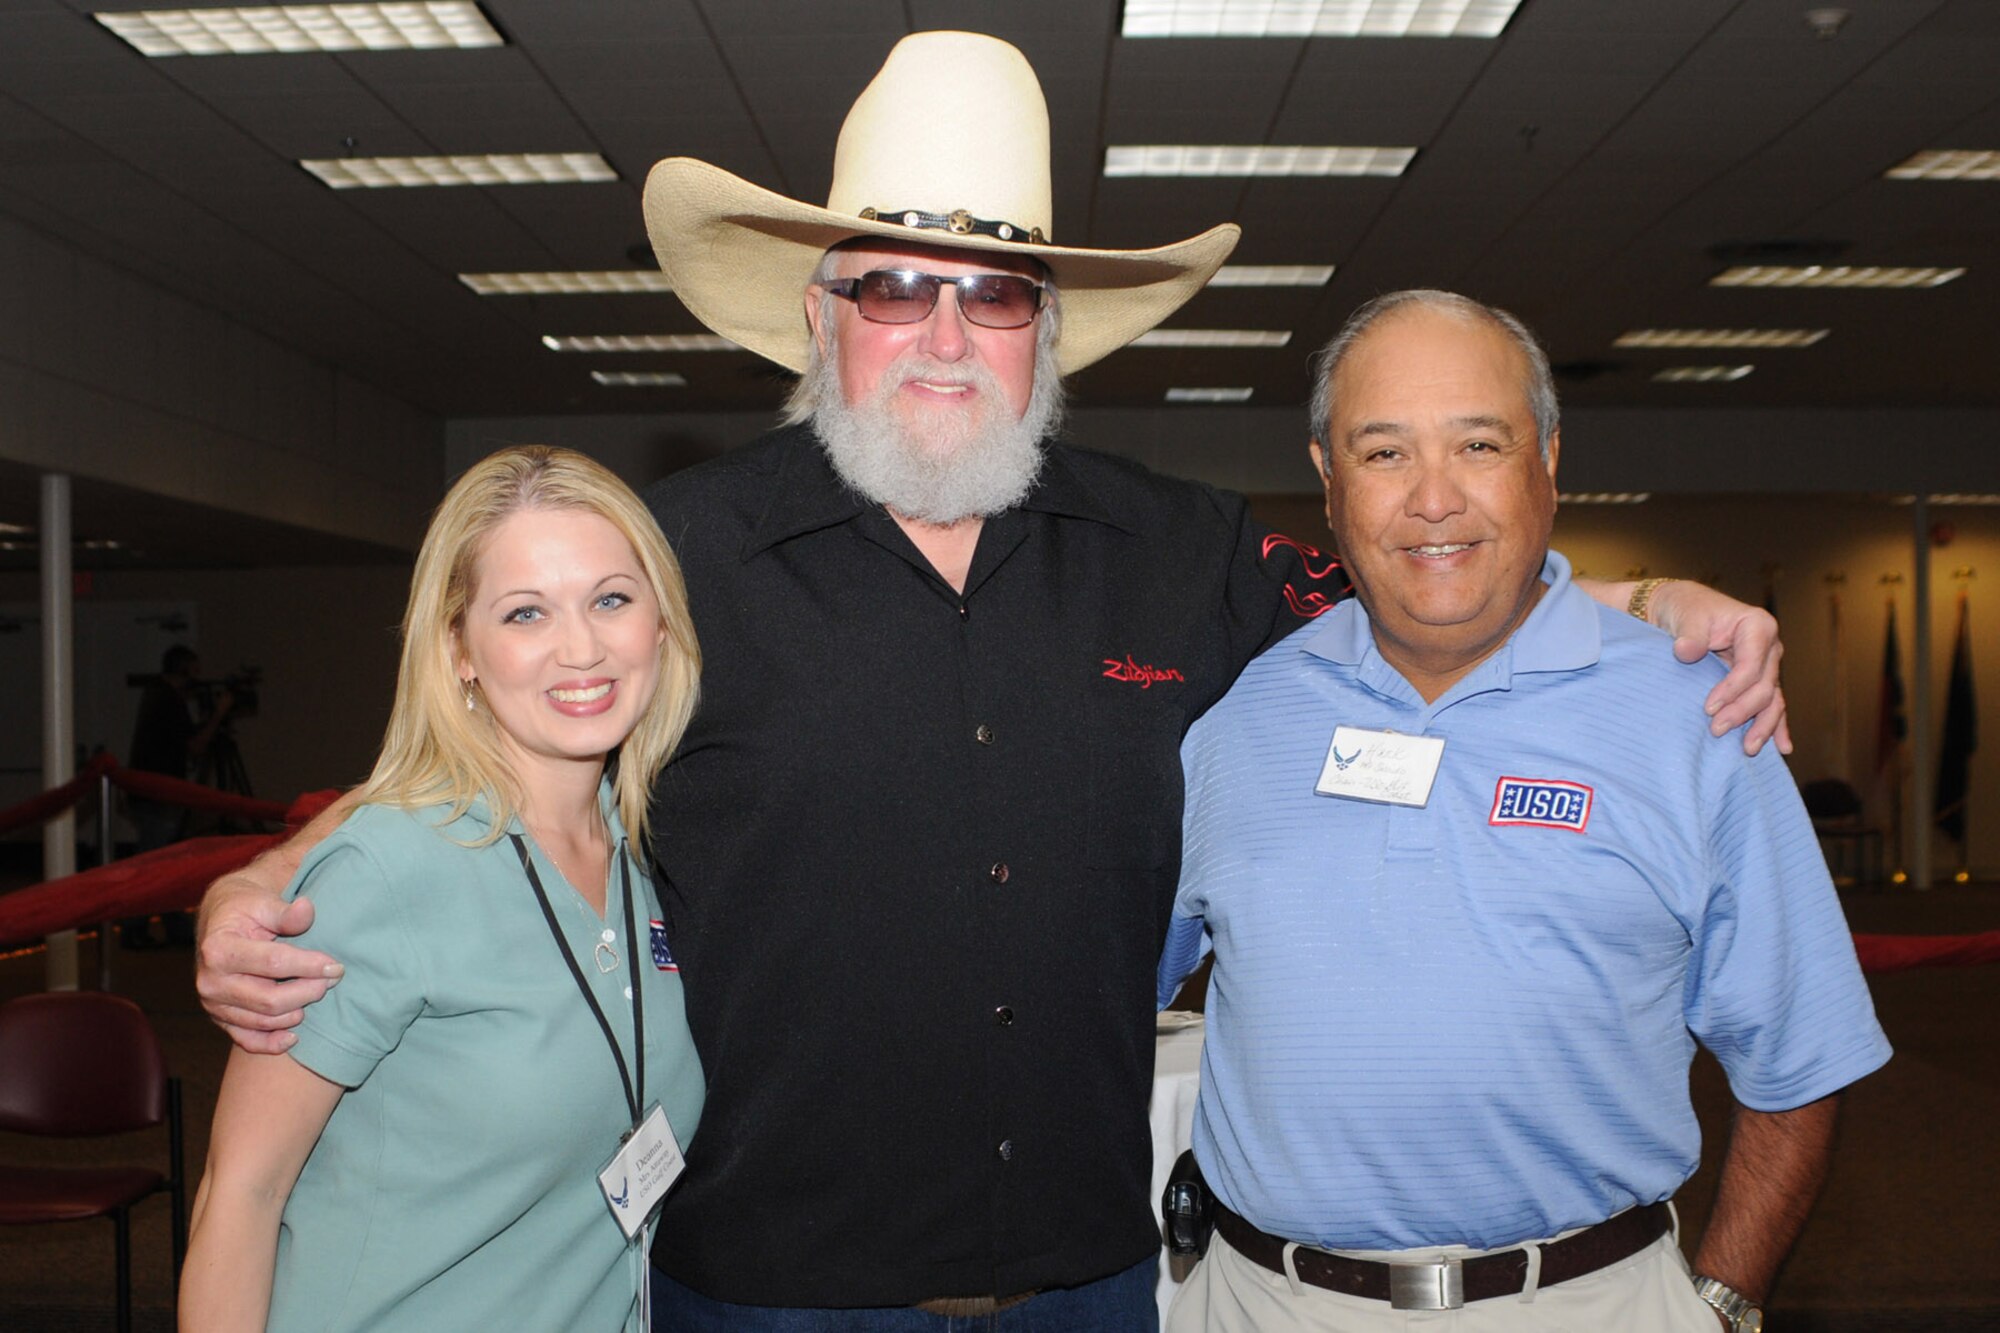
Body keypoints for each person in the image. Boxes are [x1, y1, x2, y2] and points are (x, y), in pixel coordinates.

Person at [194, 34, 1792, 1331]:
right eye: (893, 286)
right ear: (823, 317)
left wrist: (1649, 595)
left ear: (1050, 334)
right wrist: (269, 879)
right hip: (766, 1293)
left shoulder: (1183, 555)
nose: (943, 333)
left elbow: (1410, 593)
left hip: (1094, 1286)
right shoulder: (676, 559)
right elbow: (489, 741)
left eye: (995, 293)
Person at [1157, 291, 1891, 1333]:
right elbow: (1100, 984)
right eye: (1382, 453)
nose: (1432, 499)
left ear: (1545, 458)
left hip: (1580, 1305)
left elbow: (1798, 1055)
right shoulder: (1236, 717)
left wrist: (1723, 1305)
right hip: (1256, 1305)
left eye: (1477, 443)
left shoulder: (1694, 718)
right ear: (1327, 480)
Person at [180, 447, 705, 1331]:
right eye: (525, 612)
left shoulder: (644, 850)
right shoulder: (386, 870)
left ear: (660, 621)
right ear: (459, 649)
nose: (581, 647)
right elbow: (242, 1192)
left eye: (611, 598)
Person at [119, 644, 231, 947]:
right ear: (183, 670)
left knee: (157, 862)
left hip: (151, 793)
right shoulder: (168, 700)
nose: (197, 678)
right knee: (155, 867)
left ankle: (163, 926)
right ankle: (135, 929)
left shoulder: (157, 695)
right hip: (158, 797)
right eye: (194, 670)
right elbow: (195, 745)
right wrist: (218, 715)